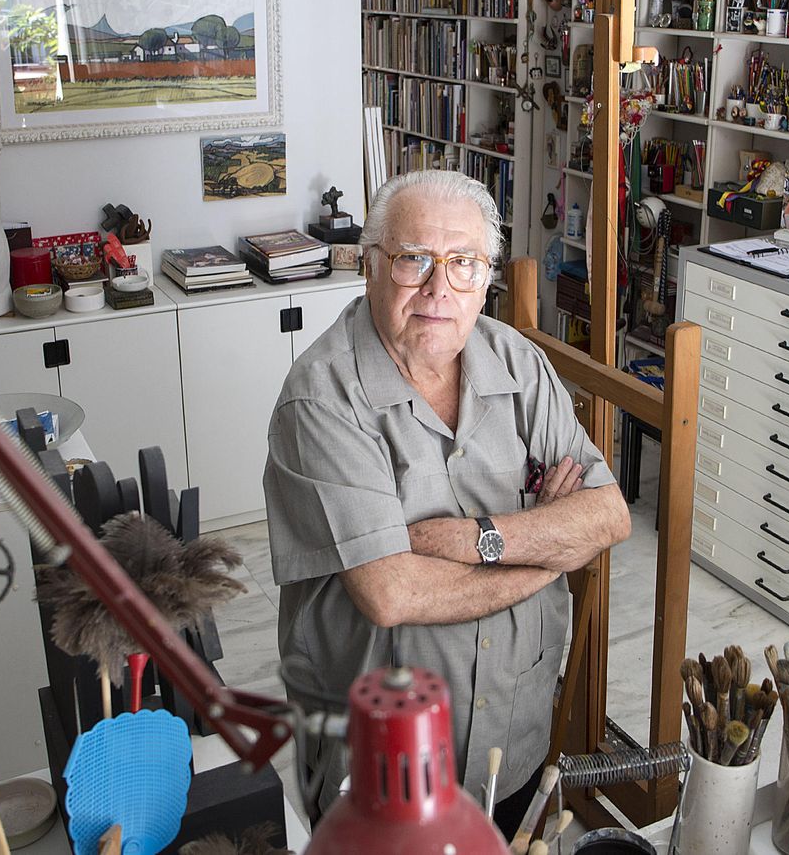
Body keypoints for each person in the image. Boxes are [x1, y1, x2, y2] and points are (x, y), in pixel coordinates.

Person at [263, 170, 630, 831]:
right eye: (414, 260)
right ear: (370, 266)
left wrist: (472, 538)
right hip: (378, 771)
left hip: (509, 745)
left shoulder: (520, 366)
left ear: (485, 277)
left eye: (463, 263)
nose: (439, 288)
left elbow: (608, 514)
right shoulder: (319, 400)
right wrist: (549, 553)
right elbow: (392, 593)